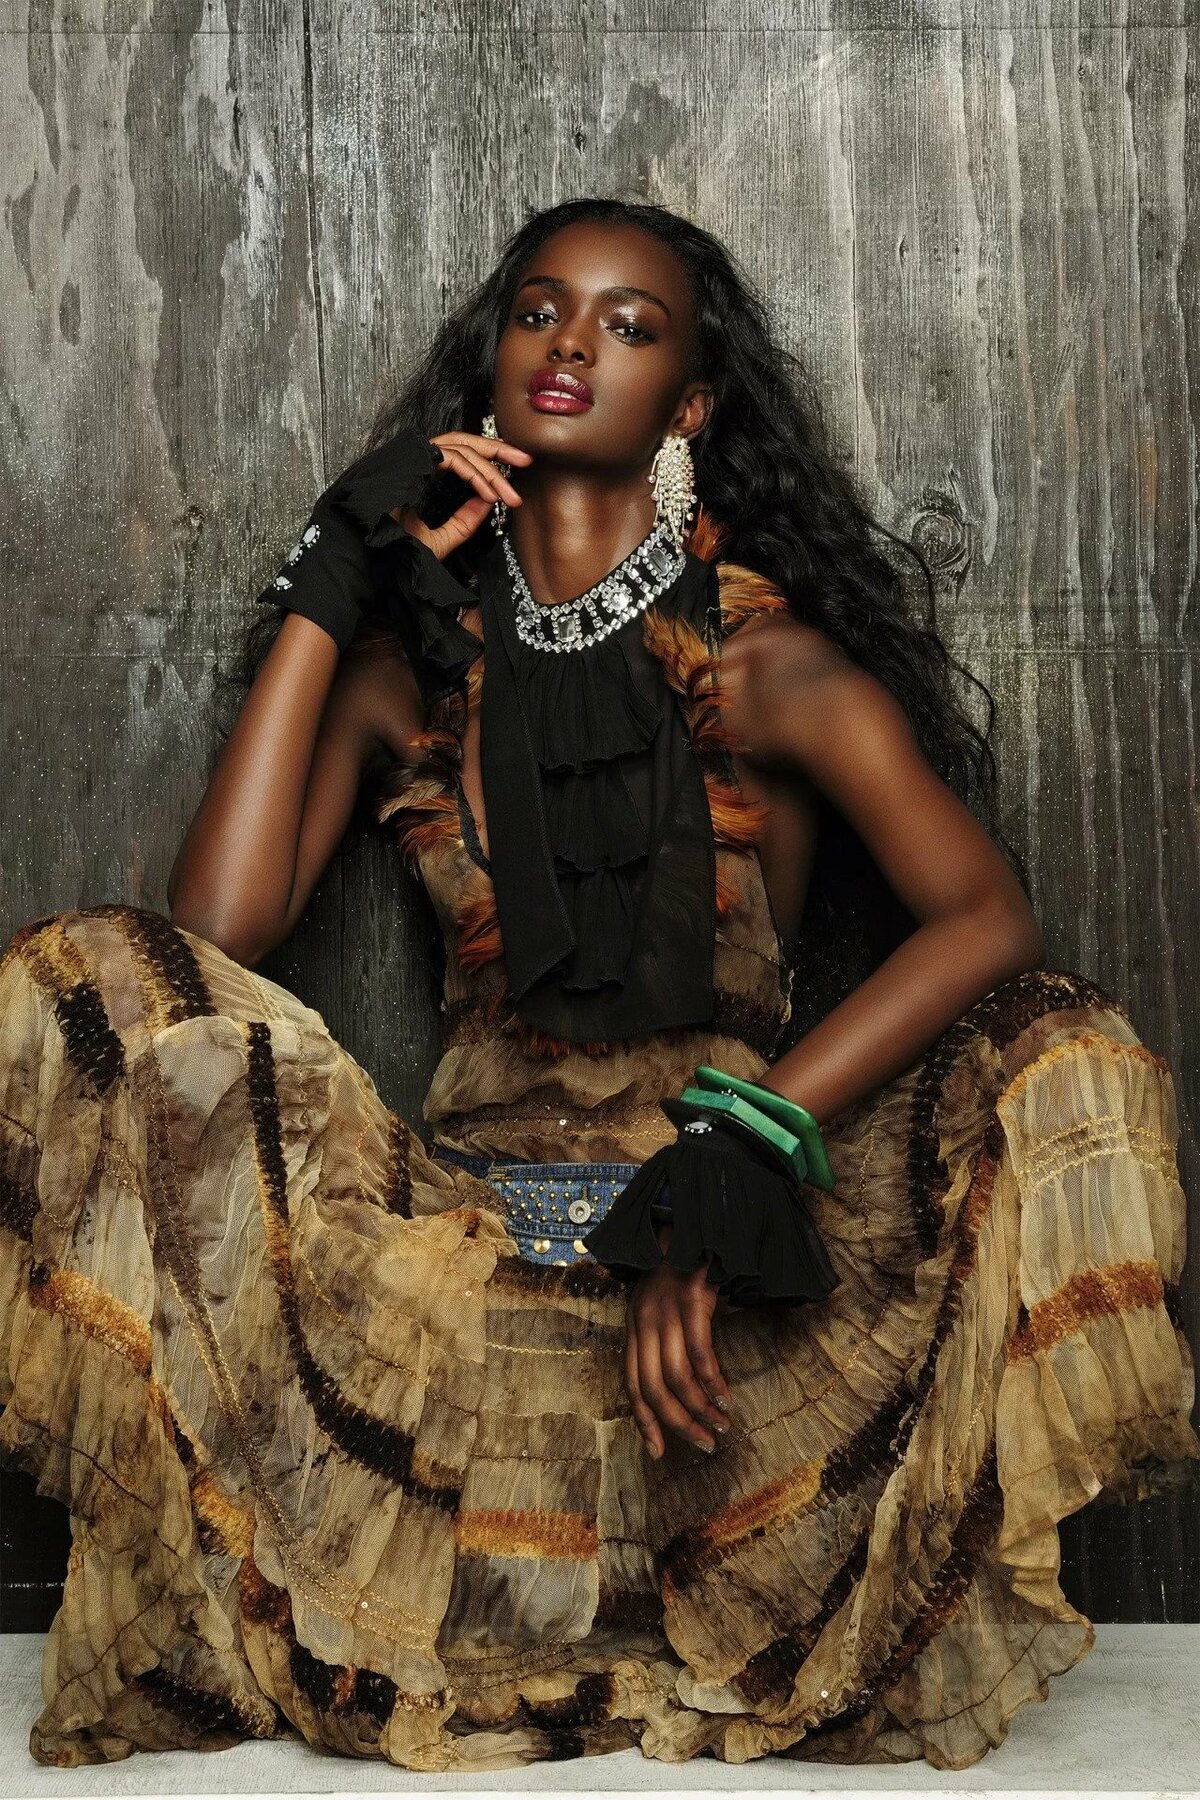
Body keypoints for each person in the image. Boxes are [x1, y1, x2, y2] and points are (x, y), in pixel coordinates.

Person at [0, 196, 1195, 1775]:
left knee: (1063, 1048)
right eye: (541, 311)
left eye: (629, 326)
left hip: (723, 1270)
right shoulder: (409, 673)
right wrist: (336, 566)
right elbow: (215, 925)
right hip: (462, 1271)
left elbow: (987, 919)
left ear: (688, 407)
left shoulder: (769, 667)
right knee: (87, 978)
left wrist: (732, 1158)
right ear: (495, 361)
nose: (571, 343)